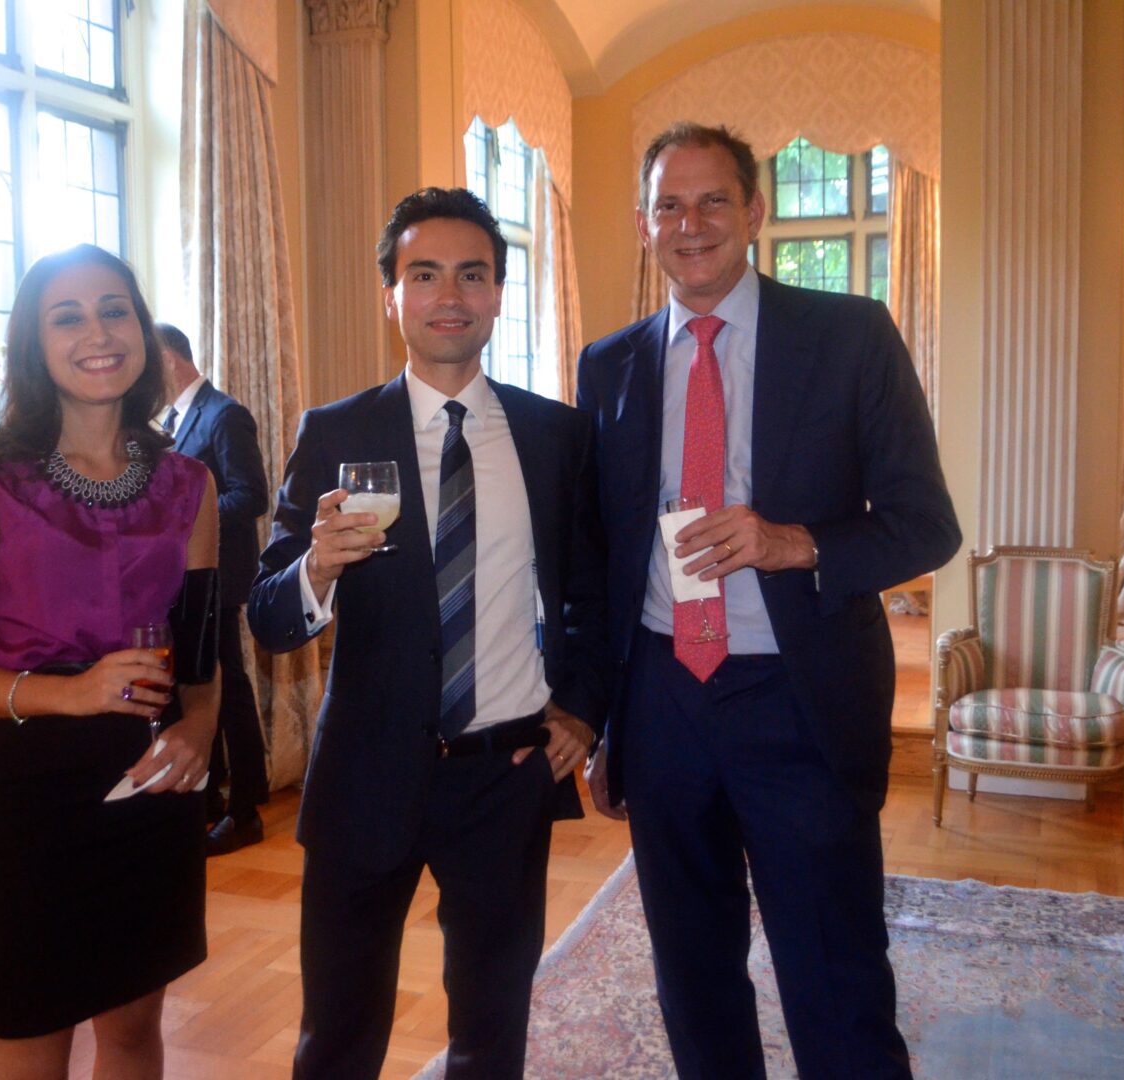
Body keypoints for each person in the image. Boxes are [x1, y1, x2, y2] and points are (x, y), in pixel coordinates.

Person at [575, 123, 961, 1078]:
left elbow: (925, 526)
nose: (691, 223)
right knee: (691, 969)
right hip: (663, 696)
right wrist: (599, 717)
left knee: (833, 973)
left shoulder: (849, 336)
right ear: (642, 226)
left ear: (754, 212)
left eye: (713, 200)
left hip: (798, 696)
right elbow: (596, 556)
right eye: (668, 205)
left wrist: (795, 543)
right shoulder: (608, 365)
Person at [248, 187, 608, 1079]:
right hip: (364, 772)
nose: (449, 295)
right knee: (337, 1035)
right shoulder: (335, 431)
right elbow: (267, 615)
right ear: (392, 296)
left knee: (490, 1031)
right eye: (424, 274)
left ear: (497, 295)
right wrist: (316, 568)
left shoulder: (554, 435)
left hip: (504, 776)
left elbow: (590, 593)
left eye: (471, 275)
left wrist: (580, 710)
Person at [0, 244, 220, 1077]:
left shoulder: (189, 484)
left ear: (142, 332)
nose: (97, 333)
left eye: (114, 310)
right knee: (32, 1032)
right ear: (34, 343)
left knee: (133, 1026)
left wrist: (199, 727)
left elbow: (201, 652)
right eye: (68, 317)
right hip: (32, 796)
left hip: (152, 786)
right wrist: (72, 693)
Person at [155, 321, 273, 855]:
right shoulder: (172, 422)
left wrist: (186, 518)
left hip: (220, 578)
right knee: (197, 683)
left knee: (230, 689)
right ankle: (209, 798)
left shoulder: (224, 414)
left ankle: (247, 809)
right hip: (184, 580)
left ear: (168, 359)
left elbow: (252, 495)